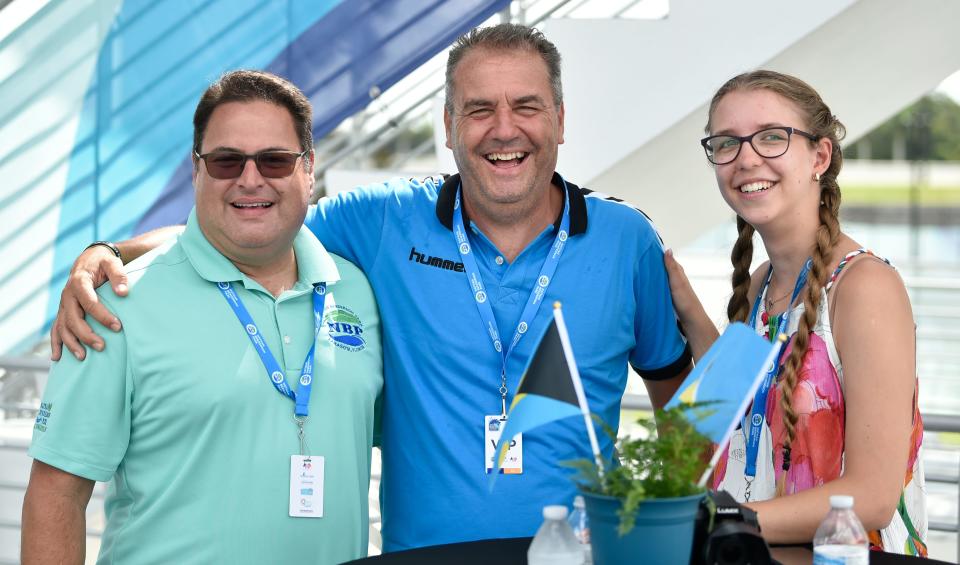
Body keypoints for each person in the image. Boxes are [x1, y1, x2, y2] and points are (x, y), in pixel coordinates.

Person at [48, 24, 692, 551]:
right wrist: (106, 253)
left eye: (525, 106)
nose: (504, 129)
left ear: (558, 118)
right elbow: (252, 219)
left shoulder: (625, 238)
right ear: (447, 125)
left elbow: (683, 407)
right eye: (478, 109)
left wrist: (663, 532)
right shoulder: (382, 222)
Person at [22, 70, 383, 564]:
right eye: (226, 161)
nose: (250, 178)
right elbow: (56, 495)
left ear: (309, 168)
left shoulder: (356, 290)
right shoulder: (117, 302)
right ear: (197, 170)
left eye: (275, 160)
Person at [664, 70, 926, 555]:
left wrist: (710, 517)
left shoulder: (864, 286)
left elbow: (872, 498)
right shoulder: (763, 281)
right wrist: (684, 307)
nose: (745, 159)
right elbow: (735, 411)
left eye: (770, 138)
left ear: (819, 157)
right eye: (726, 143)